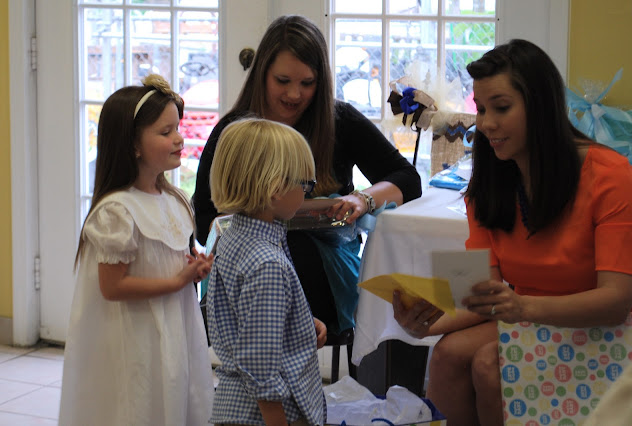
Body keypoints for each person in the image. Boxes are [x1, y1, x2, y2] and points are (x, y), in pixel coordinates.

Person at [391, 39, 632, 426]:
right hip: (530, 319)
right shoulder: (489, 184)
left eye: (501, 108)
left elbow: (616, 301)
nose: (486, 123)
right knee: (448, 353)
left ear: (541, 106)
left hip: (603, 328)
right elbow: (483, 295)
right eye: (481, 109)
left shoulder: (610, 175)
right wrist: (422, 324)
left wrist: (523, 308)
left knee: (490, 364)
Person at [193, 15, 421, 337]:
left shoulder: (339, 120)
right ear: (262, 74)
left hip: (322, 266)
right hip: (249, 265)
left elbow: (408, 179)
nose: (294, 94)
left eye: (307, 83)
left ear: (321, 81)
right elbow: (204, 217)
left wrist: (363, 200)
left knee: (296, 257)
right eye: (283, 81)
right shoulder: (234, 131)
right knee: (272, 259)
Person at [59, 74, 215, 426]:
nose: (179, 138)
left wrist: (192, 268)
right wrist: (176, 281)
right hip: (135, 334)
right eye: (166, 132)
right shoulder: (118, 212)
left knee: (174, 394)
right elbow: (112, 286)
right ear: (133, 145)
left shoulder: (175, 200)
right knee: (141, 402)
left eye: (178, 128)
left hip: (173, 325)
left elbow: (168, 260)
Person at [206, 118, 327, 425]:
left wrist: (299, 323)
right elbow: (259, 365)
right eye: (305, 185)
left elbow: (243, 316)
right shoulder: (267, 263)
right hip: (267, 415)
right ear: (275, 189)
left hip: (235, 405)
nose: (307, 194)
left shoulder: (231, 235)